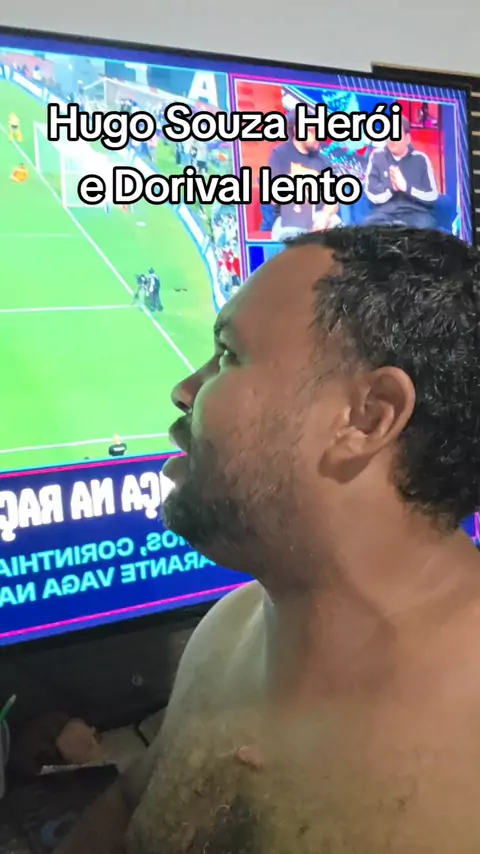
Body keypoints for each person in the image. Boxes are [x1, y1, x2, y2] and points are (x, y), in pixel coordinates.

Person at [55, 226, 480, 854]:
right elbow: (130, 806)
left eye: (227, 354)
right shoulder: (231, 630)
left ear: (368, 416)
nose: (184, 390)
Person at [261, 106, 340, 239]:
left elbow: (333, 201)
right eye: (313, 131)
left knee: (340, 230)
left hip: (320, 216)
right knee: (294, 236)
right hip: (289, 219)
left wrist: (325, 217)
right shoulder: (280, 155)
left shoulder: (323, 161)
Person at [365, 118, 439, 227]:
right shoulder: (377, 156)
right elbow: (371, 193)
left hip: (415, 213)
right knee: (368, 226)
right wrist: (392, 188)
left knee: (426, 226)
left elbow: (432, 195)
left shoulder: (421, 159)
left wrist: (406, 188)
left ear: (407, 138)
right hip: (385, 214)